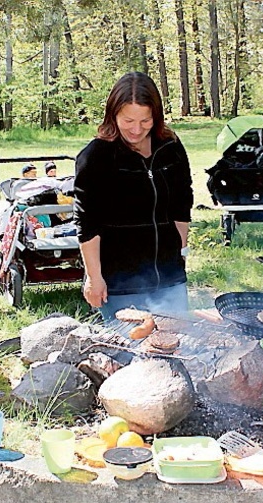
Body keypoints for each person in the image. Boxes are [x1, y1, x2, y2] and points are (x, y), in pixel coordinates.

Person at [74, 71, 193, 322]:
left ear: (156, 116)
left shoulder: (169, 147)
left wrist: (179, 250)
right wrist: (94, 278)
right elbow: (87, 224)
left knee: (177, 346)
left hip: (169, 277)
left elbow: (183, 202)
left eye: (146, 121)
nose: (137, 130)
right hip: (120, 281)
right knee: (128, 354)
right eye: (128, 120)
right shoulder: (97, 156)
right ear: (113, 114)